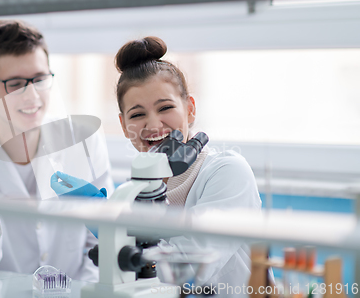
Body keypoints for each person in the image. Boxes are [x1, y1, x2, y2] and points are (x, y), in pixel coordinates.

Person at [51, 36, 262, 294]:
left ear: (190, 109)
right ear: (123, 125)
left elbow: (187, 269)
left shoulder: (227, 172)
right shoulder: (140, 187)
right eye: (138, 114)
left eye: (165, 108)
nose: (152, 125)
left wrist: (115, 234)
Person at [0, 20, 114, 280]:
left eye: (40, 79)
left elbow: (100, 244)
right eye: (15, 84)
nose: (32, 96)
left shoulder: (83, 140)